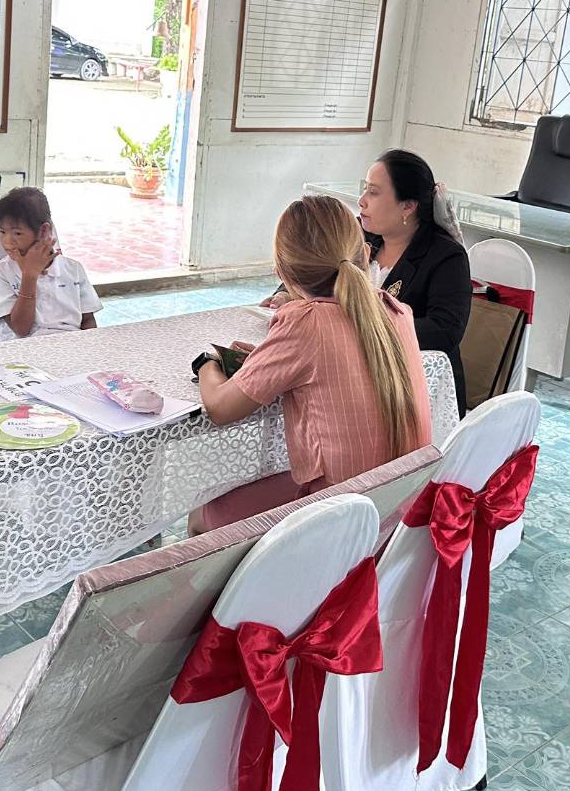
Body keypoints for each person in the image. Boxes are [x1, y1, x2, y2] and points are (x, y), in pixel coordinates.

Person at [192, 194, 433, 530]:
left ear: (281, 272)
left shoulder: (305, 323)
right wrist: (265, 360)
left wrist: (208, 362)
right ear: (365, 255)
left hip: (338, 519)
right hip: (402, 513)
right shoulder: (396, 311)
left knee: (202, 515)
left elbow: (220, 407)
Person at [261, 150, 472, 409]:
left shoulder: (446, 256)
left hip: (412, 389)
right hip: (347, 371)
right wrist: (286, 293)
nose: (361, 202)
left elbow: (444, 331)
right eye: (365, 190)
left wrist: (356, 327)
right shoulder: (360, 233)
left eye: (374, 193)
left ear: (408, 206)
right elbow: (310, 261)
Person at [0, 187, 101, 341]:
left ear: (44, 230)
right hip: (24, 349)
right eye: (2, 232)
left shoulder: (73, 269)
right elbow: (21, 329)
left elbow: (88, 320)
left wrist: (89, 346)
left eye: (17, 233)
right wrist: (29, 275)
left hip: (72, 344)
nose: (7, 242)